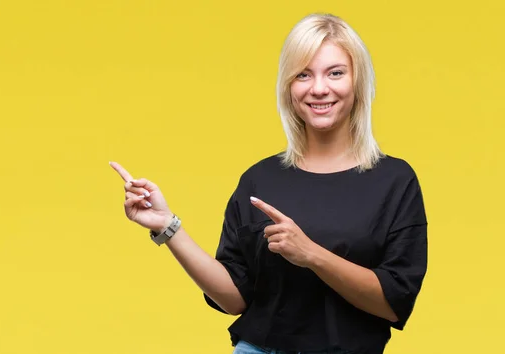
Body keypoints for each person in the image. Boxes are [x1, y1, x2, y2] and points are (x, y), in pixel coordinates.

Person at [110, 13, 427, 354]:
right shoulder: (259, 180)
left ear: (358, 81)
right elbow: (234, 298)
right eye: (303, 74)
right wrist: (168, 227)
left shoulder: (394, 182)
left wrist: (311, 255)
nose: (319, 88)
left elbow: (393, 303)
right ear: (289, 86)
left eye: (335, 73)